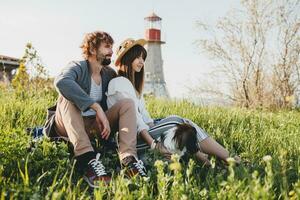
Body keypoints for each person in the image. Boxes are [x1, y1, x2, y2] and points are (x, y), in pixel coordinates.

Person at [106, 38, 241, 165]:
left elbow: (146, 119)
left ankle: (221, 157)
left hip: (144, 132)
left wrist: (158, 126)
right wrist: (154, 144)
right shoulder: (119, 83)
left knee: (184, 122)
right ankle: (218, 157)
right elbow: (136, 121)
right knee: (175, 121)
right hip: (132, 139)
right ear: (127, 58)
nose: (142, 61)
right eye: (137, 57)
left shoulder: (133, 87)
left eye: (143, 58)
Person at [43, 32, 147, 189]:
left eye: (112, 47)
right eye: (107, 47)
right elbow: (61, 81)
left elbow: (121, 90)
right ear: (92, 49)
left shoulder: (109, 74)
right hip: (67, 125)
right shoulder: (78, 67)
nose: (111, 51)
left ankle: (128, 160)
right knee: (66, 97)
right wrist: (95, 106)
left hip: (94, 127)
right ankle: (88, 160)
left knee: (127, 104)